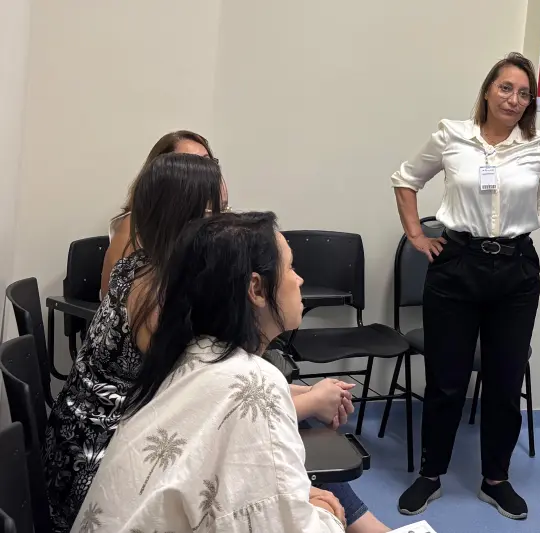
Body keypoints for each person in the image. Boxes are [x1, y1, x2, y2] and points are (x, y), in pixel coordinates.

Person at [391, 52, 540, 520]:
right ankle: (431, 474)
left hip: (516, 271)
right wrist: (417, 236)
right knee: (446, 379)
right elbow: (405, 179)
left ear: (530, 102)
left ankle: (496, 479)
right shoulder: (452, 135)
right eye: (506, 88)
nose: (513, 99)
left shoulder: (539, 147)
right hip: (456, 265)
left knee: (504, 380)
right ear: (488, 90)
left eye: (524, 93)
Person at [71, 212, 346, 532]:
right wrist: (328, 513)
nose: (299, 280)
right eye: (291, 268)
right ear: (256, 289)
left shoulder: (187, 355)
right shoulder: (255, 382)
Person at [43, 153, 227, 532]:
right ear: (187, 216)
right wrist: (302, 400)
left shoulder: (143, 265)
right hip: (95, 468)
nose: (227, 226)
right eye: (217, 213)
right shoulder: (155, 294)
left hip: (84, 442)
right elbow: (196, 398)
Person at [101, 129, 218, 298]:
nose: (204, 171)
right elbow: (115, 296)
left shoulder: (207, 219)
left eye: (207, 162)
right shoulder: (134, 225)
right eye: (190, 164)